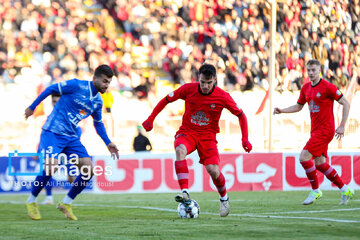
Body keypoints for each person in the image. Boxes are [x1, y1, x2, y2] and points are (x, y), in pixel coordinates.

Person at [142, 63, 252, 217]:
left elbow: (241, 115)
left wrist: (245, 139)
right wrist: (151, 118)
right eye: (202, 82)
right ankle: (185, 193)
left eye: (209, 83)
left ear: (214, 80)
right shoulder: (188, 89)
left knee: (213, 170)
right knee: (180, 150)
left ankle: (224, 198)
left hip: (208, 137)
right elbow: (166, 99)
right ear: (198, 79)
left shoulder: (223, 96)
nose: (205, 86)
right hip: (188, 133)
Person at [24, 64, 120, 220]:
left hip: (71, 138)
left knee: (88, 170)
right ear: (94, 78)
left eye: (108, 82)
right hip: (52, 133)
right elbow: (50, 89)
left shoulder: (98, 102)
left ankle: (66, 203)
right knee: (51, 167)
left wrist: (108, 142)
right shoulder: (76, 85)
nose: (106, 85)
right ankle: (31, 201)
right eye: (104, 81)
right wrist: (33, 107)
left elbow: (98, 124)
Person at [273, 59, 354, 205]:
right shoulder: (306, 88)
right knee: (320, 163)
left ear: (319, 71)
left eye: (313, 70)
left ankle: (315, 190)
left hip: (326, 130)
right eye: (309, 70)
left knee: (304, 157)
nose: (311, 73)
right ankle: (345, 189)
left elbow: (346, 103)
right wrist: (282, 111)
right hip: (315, 131)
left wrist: (342, 125)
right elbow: (298, 107)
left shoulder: (328, 87)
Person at [41, 94, 78, 205]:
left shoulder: (69, 115)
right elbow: (44, 134)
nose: (55, 103)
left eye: (57, 101)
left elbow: (78, 130)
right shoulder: (50, 117)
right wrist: (39, 148)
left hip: (67, 149)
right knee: (49, 171)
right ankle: (49, 197)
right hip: (54, 148)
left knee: (71, 177)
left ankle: (69, 200)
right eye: (54, 101)